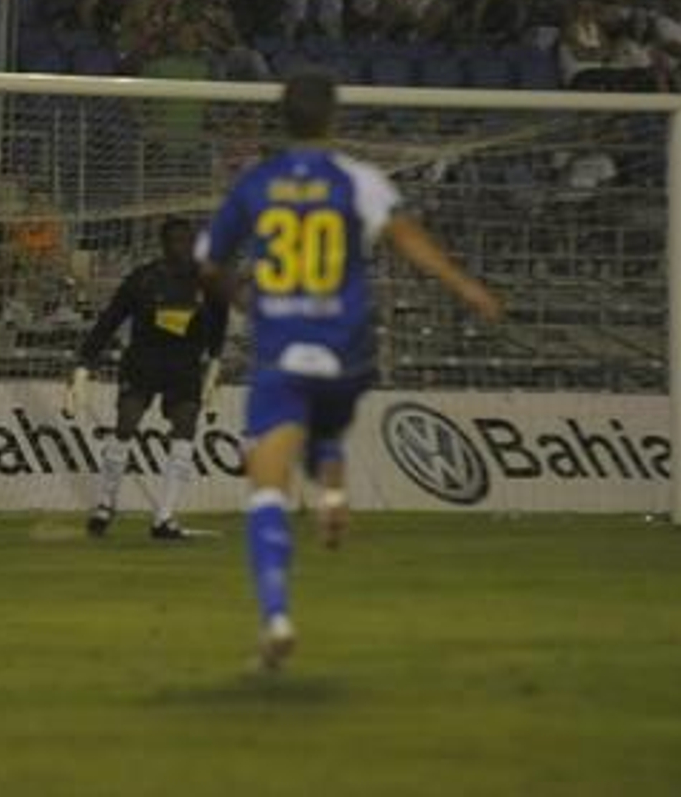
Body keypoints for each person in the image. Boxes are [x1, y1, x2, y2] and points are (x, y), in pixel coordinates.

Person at [197, 70, 502, 670]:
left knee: (265, 482)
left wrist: (243, 297)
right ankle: (333, 491)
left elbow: (206, 260)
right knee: (328, 418)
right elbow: (407, 238)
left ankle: (277, 616)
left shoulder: (256, 183)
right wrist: (466, 287)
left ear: (280, 121)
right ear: (334, 118)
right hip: (346, 352)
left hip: (281, 349)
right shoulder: (358, 180)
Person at [66, 217, 227, 541]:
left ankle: (164, 518)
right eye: (176, 241)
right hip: (143, 361)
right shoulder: (143, 280)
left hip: (184, 365)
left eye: (188, 240)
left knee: (185, 428)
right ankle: (105, 504)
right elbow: (110, 319)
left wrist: (215, 363)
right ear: (164, 244)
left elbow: (220, 322)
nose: (183, 247)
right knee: (126, 423)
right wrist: (85, 362)